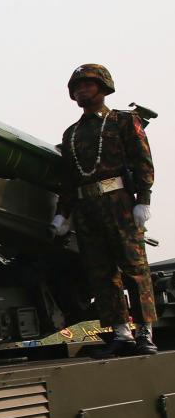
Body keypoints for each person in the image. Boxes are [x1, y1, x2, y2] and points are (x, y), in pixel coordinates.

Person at [51, 64, 157, 355]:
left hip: (119, 203)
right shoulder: (71, 134)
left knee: (134, 270)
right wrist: (63, 213)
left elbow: (142, 161)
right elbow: (69, 180)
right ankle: (121, 333)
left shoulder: (123, 121)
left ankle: (145, 333)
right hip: (87, 209)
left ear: (103, 87)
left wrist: (142, 200)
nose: (81, 90)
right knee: (101, 273)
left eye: (88, 84)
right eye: (77, 87)